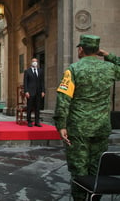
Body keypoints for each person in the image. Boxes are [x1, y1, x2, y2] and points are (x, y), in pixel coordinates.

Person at [53, 34, 120, 201]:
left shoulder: (74, 69)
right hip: (101, 128)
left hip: (79, 129)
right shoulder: (110, 68)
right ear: (97, 50)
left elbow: (63, 99)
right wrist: (107, 55)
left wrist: (61, 124)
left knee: (79, 170)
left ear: (81, 49)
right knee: (97, 169)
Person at [23, 57, 45, 127]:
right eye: (33, 61)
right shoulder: (27, 71)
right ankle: (29, 121)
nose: (34, 62)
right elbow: (25, 82)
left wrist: (43, 91)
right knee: (30, 107)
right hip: (30, 92)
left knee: (37, 107)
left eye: (36, 61)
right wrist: (26, 91)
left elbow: (42, 82)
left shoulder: (40, 71)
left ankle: (37, 122)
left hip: (38, 92)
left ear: (37, 63)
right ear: (31, 62)